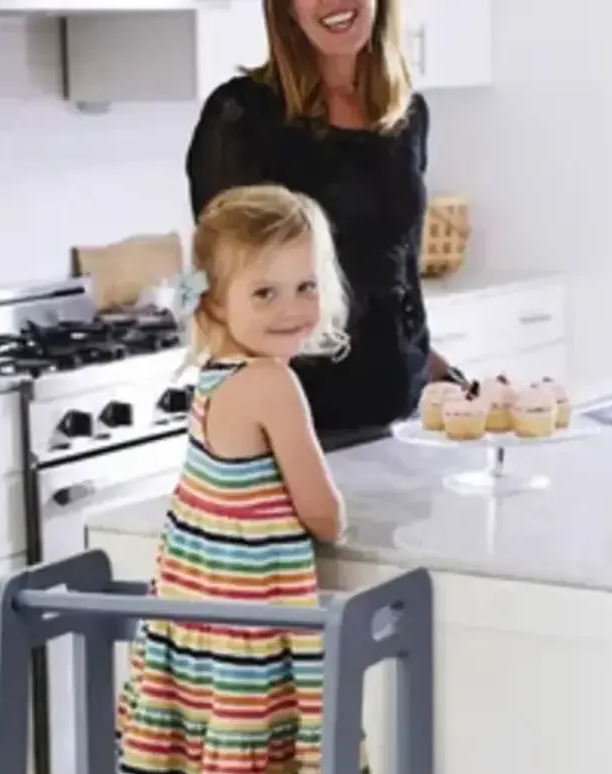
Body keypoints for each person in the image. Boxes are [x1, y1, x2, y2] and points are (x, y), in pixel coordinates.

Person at [116, 184, 368, 774]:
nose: (294, 309)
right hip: (248, 643)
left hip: (196, 635)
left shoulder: (213, 380)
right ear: (215, 301)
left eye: (305, 286)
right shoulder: (270, 386)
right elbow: (322, 509)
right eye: (266, 292)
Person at [186, 0, 461, 443]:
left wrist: (439, 371)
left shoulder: (407, 115)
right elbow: (211, 281)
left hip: (402, 419)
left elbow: (393, 279)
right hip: (297, 427)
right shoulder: (242, 117)